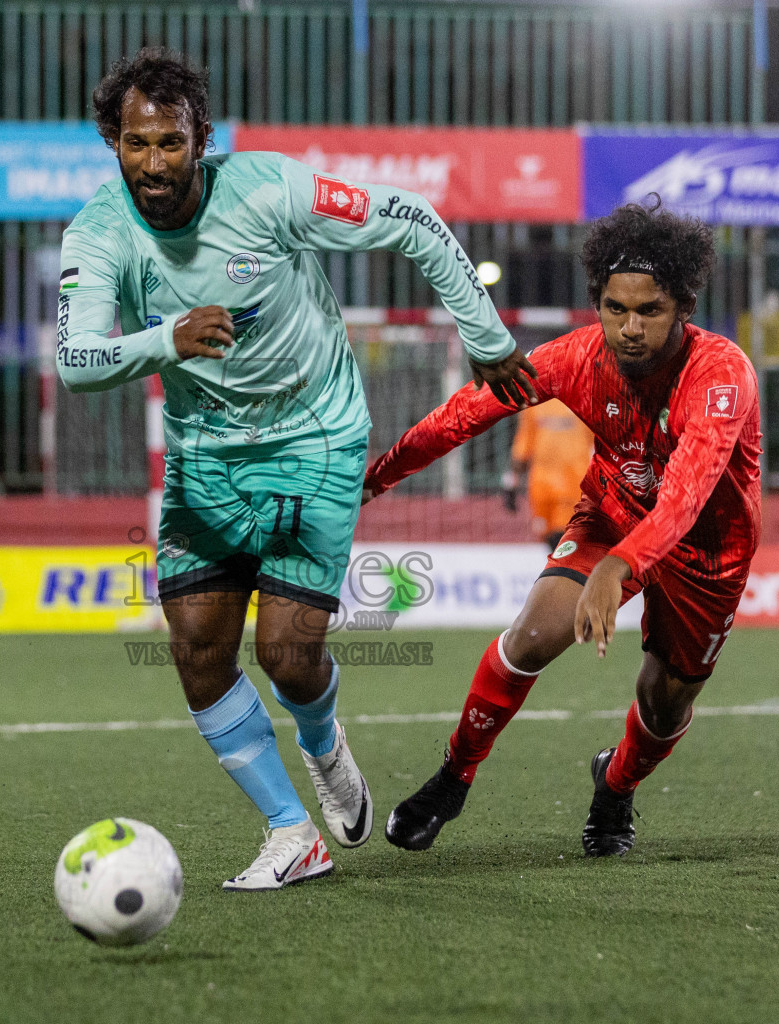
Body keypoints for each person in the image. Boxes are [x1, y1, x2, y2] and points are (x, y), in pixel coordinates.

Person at [56, 49, 532, 889]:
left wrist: (486, 339)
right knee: (197, 649)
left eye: (172, 143)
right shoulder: (99, 233)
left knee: (285, 654)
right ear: (111, 140)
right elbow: (78, 358)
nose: (155, 164)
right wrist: (168, 338)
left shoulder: (271, 189)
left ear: (203, 137)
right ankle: (290, 832)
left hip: (314, 437)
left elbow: (414, 220)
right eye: (137, 144)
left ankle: (323, 744)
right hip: (205, 453)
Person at [364, 199, 762, 858]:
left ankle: (616, 785)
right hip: (612, 515)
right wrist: (378, 476)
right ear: (597, 304)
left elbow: (686, 500)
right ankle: (453, 776)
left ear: (683, 308)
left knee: (664, 705)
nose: (630, 327)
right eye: (615, 309)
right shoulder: (576, 357)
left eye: (649, 311)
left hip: (708, 553)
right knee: (529, 637)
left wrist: (618, 569)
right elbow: (465, 414)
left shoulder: (721, 377)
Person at [503, 400, 593, 549]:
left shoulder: (583, 397)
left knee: (564, 536)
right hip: (541, 483)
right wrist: (511, 481)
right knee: (547, 535)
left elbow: (597, 441)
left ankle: (566, 569)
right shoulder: (533, 401)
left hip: (573, 481)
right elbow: (524, 442)